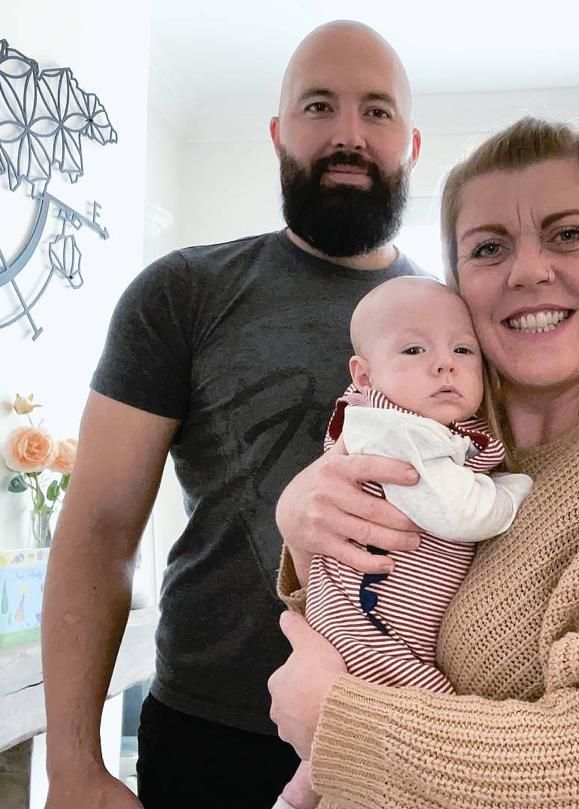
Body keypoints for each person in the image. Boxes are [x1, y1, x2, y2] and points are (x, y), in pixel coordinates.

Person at [269, 117, 579, 808]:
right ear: (457, 283)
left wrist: (342, 725)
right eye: (489, 246)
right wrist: (300, 520)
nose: (529, 270)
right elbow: (368, 615)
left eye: (568, 233)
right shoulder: (466, 435)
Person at [40, 21, 425, 809]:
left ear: (411, 144)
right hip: (205, 736)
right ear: (280, 134)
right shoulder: (180, 293)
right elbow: (98, 532)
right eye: (320, 106)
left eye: (376, 112)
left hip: (394, 738)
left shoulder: (458, 324)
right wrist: (75, 764)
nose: (348, 134)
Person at [275, 276, 532, 809]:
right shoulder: (393, 431)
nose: (445, 364)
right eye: (415, 350)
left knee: (323, 772)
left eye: (463, 349)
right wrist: (512, 491)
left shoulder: (430, 428)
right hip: (367, 623)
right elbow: (458, 511)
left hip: (374, 613)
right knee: (428, 716)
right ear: (364, 374)